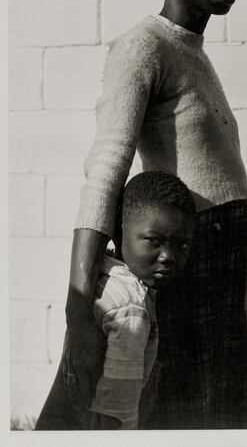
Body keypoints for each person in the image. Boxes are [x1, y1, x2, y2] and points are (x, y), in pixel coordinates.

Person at [63, 0, 247, 429]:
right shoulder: (142, 46)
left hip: (223, 266)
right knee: (176, 412)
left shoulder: (191, 51)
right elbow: (108, 163)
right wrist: (78, 308)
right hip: (185, 268)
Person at [36, 171, 196, 430]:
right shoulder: (131, 307)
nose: (168, 256)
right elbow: (118, 410)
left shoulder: (105, 277)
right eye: (154, 241)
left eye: (183, 245)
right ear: (119, 234)